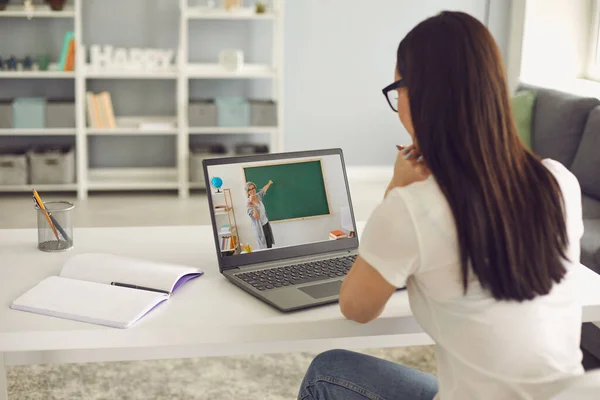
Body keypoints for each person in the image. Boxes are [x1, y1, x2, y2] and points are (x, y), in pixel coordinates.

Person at [298, 11, 584, 400]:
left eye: (397, 87)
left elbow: (356, 307)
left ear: (419, 94)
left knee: (327, 372)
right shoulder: (559, 182)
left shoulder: (412, 210)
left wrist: (397, 189)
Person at [246, 180, 275, 249]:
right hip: (260, 228)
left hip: (266, 224)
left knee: (269, 245)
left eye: (253, 188)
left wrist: (269, 183)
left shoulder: (258, 196)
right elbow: (256, 217)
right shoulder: (249, 204)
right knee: (264, 247)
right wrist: (253, 206)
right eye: (249, 189)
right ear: (247, 192)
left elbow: (263, 190)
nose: (252, 190)